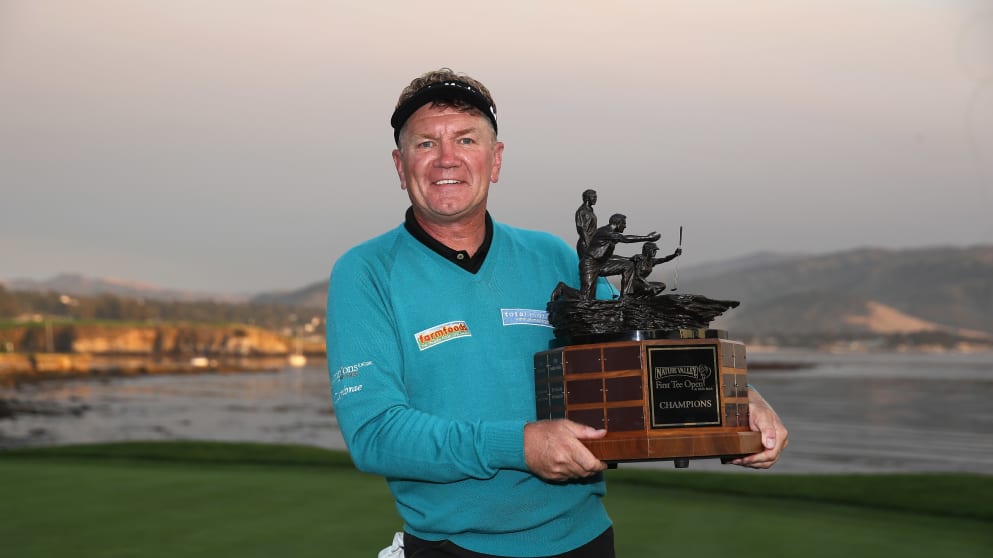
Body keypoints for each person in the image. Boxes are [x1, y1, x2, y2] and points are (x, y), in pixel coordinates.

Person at [326, 68, 789, 558]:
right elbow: (375, 433)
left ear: (496, 159)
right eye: (425, 144)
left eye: (466, 139)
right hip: (450, 548)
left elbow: (643, 351)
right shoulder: (366, 272)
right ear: (400, 166)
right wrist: (520, 446)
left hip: (585, 541)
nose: (447, 158)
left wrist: (734, 398)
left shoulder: (555, 258)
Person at [578, 213, 659, 299]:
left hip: (601, 265)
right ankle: (563, 288)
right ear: (618, 223)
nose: (625, 226)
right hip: (589, 265)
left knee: (628, 265)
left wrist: (629, 259)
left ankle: (625, 297)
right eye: (624, 223)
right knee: (586, 297)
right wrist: (647, 237)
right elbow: (624, 239)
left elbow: (610, 257)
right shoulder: (605, 231)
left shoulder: (611, 236)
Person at [574, 189, 598, 258]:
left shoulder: (591, 210)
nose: (595, 199)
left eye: (596, 197)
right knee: (587, 267)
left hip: (592, 243)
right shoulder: (581, 211)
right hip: (585, 244)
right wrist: (589, 244)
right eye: (594, 197)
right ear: (587, 198)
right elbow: (580, 228)